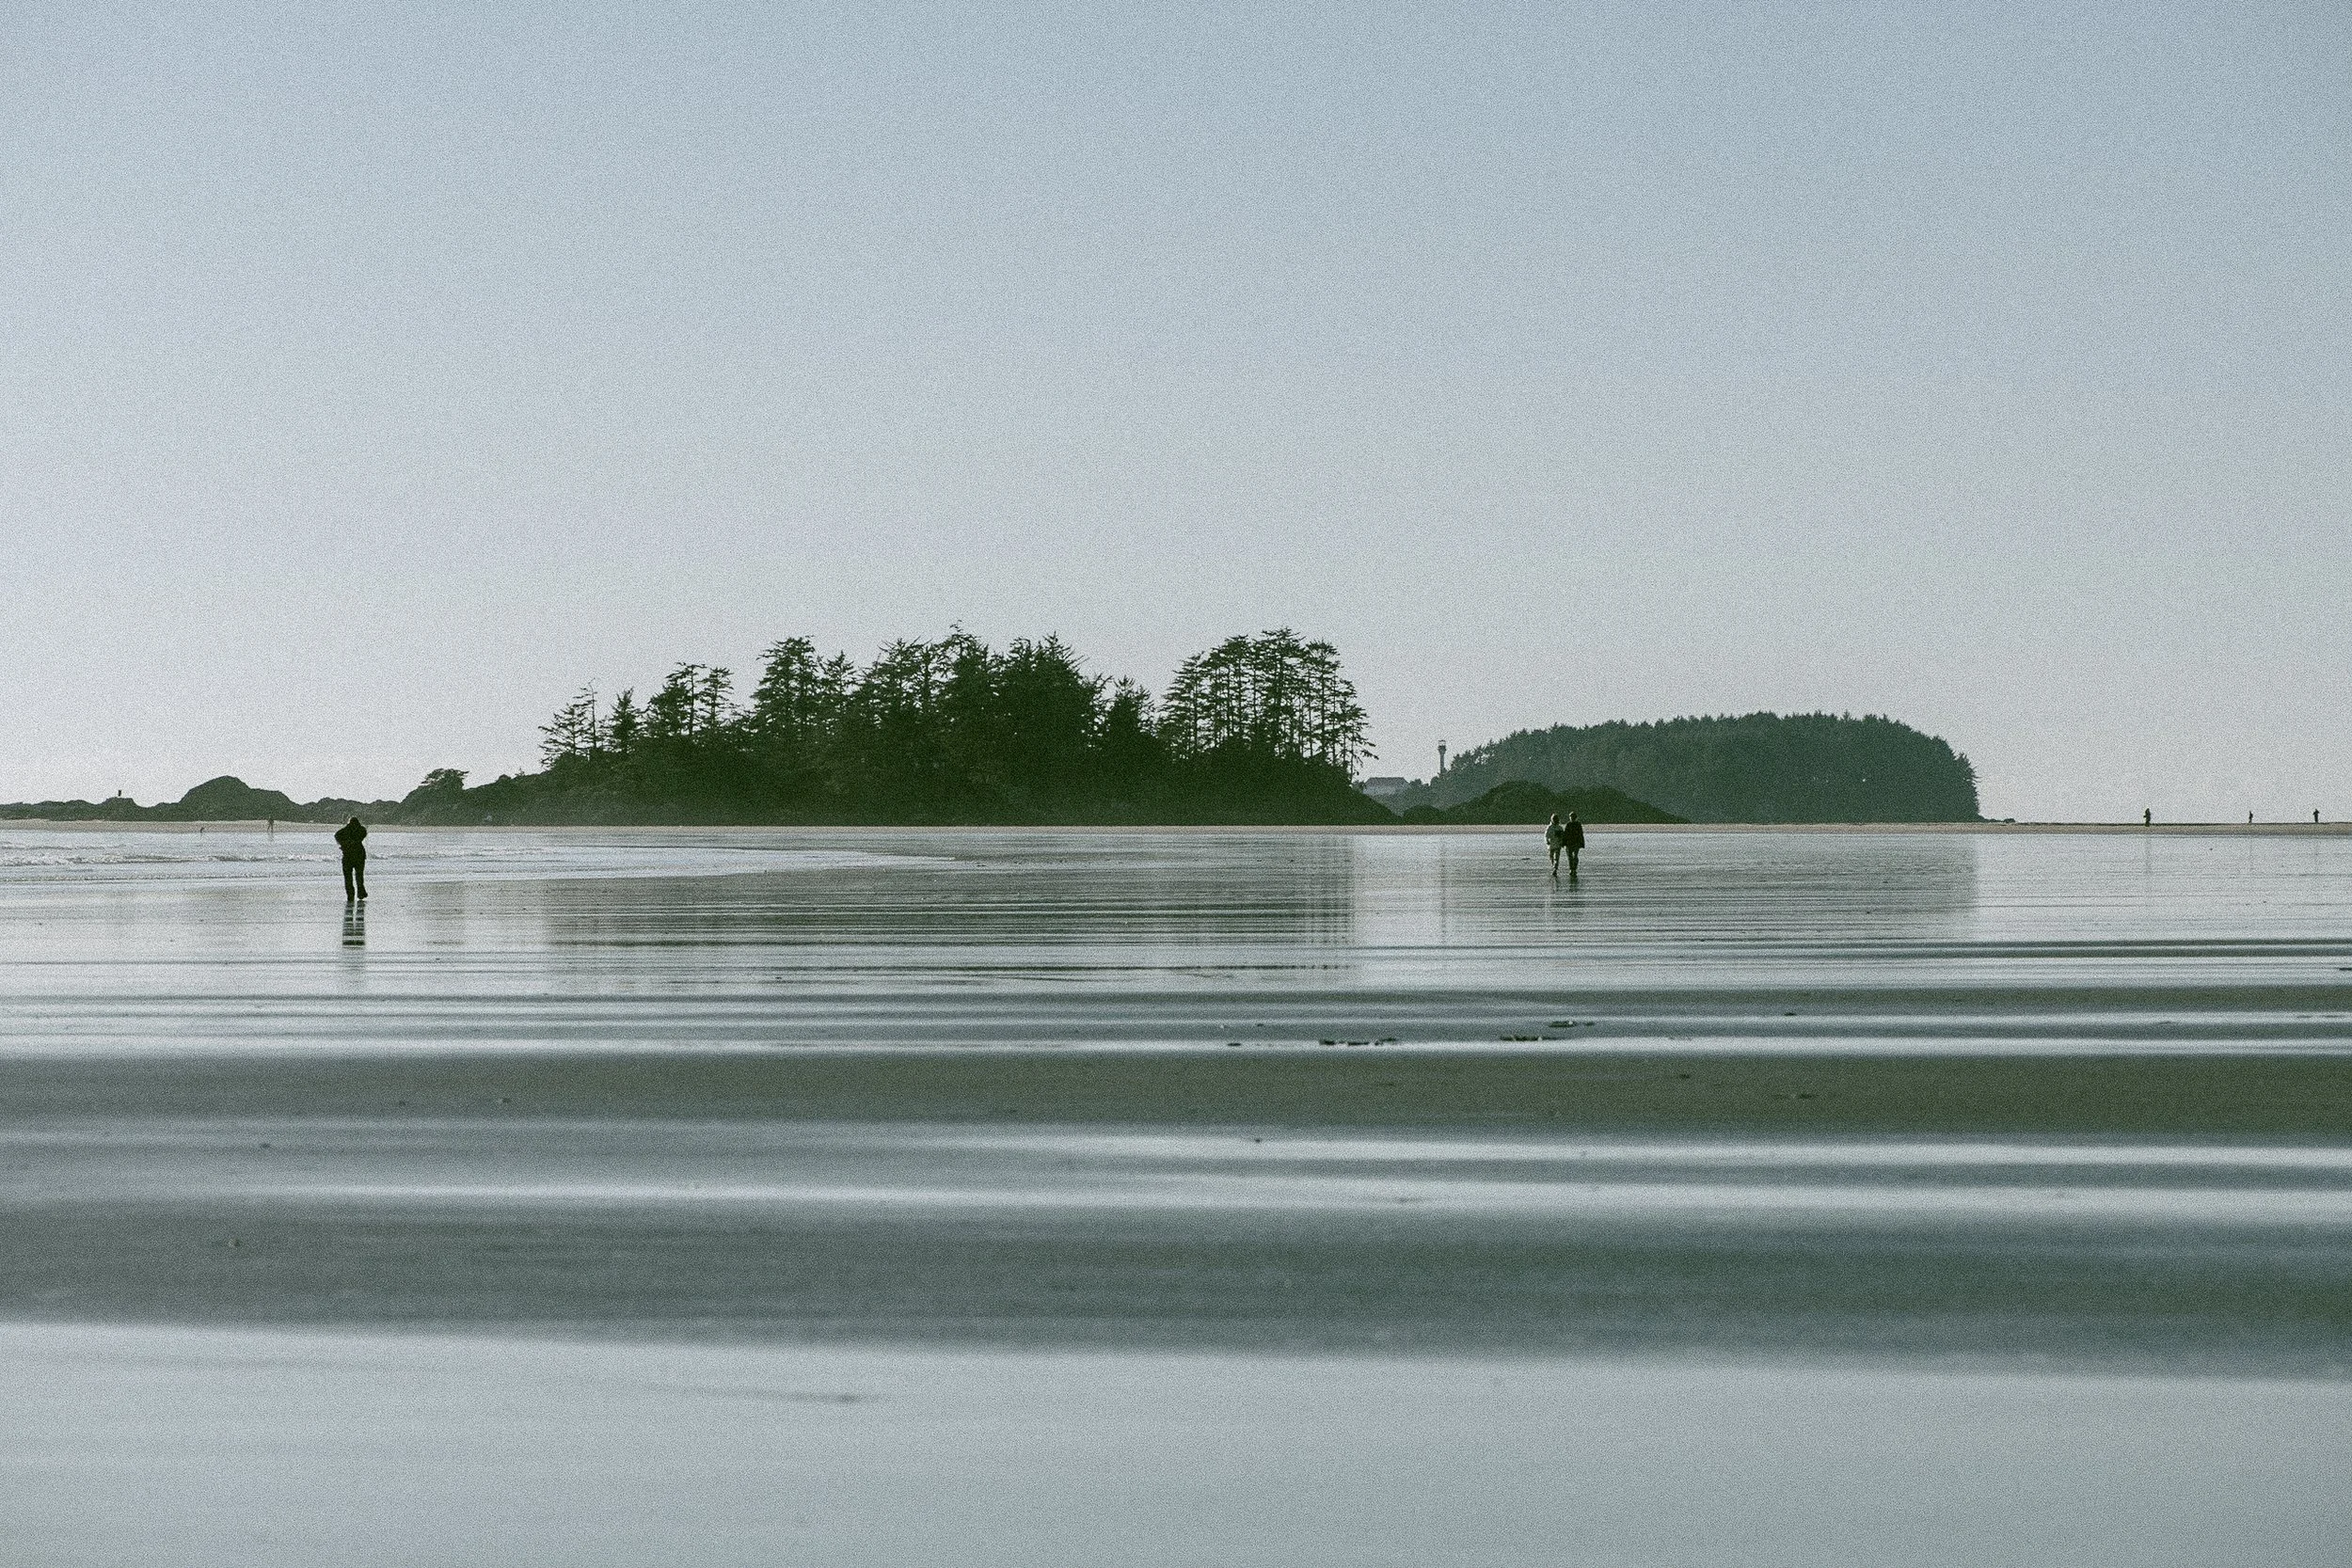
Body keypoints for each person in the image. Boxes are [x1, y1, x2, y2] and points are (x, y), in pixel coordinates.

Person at [334, 816, 368, 902]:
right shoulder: (361, 830)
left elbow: (337, 835)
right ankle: (360, 893)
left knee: (348, 877)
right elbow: (363, 833)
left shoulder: (345, 831)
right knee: (359, 876)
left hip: (348, 856)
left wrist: (343, 844)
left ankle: (351, 895)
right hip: (359, 855)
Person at [1562, 810, 1584, 877]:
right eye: (1571, 817)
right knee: (1571, 857)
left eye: (1572, 817)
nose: (1571, 818)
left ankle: (1573, 869)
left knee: (1574, 856)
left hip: (1574, 843)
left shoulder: (1576, 824)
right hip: (1570, 843)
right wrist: (1564, 843)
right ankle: (1572, 869)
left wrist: (1582, 843)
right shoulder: (1569, 824)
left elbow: (1580, 834)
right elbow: (1565, 834)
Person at [1544, 813, 1567, 877]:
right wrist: (1547, 841)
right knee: (1551, 857)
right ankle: (1554, 866)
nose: (1555, 820)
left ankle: (1555, 869)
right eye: (1553, 819)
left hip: (1557, 845)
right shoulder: (1549, 827)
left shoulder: (1559, 828)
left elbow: (1563, 836)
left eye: (1555, 819)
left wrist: (1562, 842)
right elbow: (1546, 836)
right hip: (1551, 845)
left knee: (1556, 858)